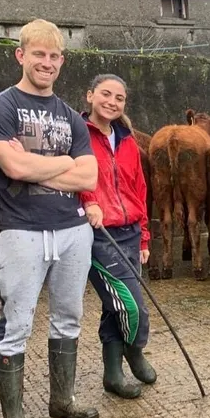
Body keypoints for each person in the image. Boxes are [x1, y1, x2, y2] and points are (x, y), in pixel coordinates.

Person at [0, 18, 100, 418]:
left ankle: (62, 400)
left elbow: (90, 173)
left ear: (61, 62)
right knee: (17, 324)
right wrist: (63, 167)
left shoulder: (71, 115)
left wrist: (38, 166)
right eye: (38, 55)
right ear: (22, 56)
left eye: (53, 56)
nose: (46, 63)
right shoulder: (0, 108)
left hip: (72, 231)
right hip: (22, 232)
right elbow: (13, 169)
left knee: (68, 317)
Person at [79, 74, 157, 399]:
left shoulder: (127, 141)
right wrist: (89, 201)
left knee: (115, 305)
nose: (112, 102)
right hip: (98, 236)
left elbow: (139, 188)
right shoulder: (77, 135)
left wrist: (144, 237)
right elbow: (71, 175)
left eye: (119, 98)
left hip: (130, 233)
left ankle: (113, 373)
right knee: (131, 307)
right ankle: (134, 350)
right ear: (90, 96)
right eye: (105, 94)